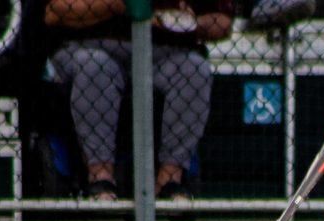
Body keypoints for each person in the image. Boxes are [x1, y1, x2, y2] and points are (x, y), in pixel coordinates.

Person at [44, 0, 234, 201]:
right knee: (94, 66)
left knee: (195, 68)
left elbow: (222, 23)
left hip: (164, 51)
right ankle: (100, 179)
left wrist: (187, 23)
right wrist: (120, 5)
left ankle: (170, 181)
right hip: (91, 45)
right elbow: (54, 12)